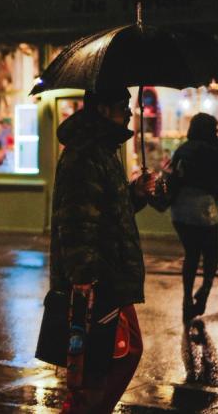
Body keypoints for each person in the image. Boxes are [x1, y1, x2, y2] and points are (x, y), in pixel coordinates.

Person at [49, 87, 153, 413]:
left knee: (108, 360)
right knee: (106, 362)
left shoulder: (103, 152)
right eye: (124, 106)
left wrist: (133, 194)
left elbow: (105, 211)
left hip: (109, 274)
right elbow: (77, 221)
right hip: (99, 279)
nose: (130, 113)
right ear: (105, 109)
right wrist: (84, 282)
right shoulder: (85, 155)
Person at [168, 113, 218, 325]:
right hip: (202, 207)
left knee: (191, 254)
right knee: (211, 253)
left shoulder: (183, 149)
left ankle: (186, 299)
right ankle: (203, 293)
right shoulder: (210, 151)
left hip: (179, 209)